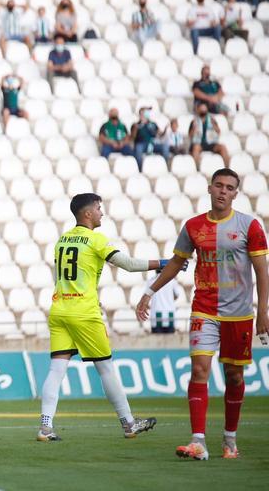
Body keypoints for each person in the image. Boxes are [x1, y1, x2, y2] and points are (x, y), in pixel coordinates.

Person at [136, 168, 268, 460]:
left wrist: (263, 312)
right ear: (209, 189)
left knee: (234, 376)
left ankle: (229, 438)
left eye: (229, 187)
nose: (223, 191)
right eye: (218, 185)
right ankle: (198, 441)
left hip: (239, 313)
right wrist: (149, 291)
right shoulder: (193, 226)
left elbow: (262, 270)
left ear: (236, 193)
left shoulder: (250, 226)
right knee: (199, 370)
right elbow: (175, 263)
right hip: (204, 309)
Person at [38, 193, 165, 441]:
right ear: (87, 214)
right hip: (84, 313)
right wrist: (163, 262)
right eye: (98, 208)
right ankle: (129, 424)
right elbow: (127, 264)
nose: (101, 213)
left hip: (59, 309)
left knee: (56, 370)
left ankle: (45, 426)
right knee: (105, 368)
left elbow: (58, 278)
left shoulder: (62, 240)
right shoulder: (95, 239)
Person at [189, 103, 231, 167]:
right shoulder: (194, 121)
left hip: (211, 143)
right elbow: (190, 135)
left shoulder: (212, 120)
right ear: (198, 110)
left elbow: (218, 132)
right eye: (202, 110)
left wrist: (214, 125)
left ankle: (227, 168)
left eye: (204, 110)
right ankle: (196, 168)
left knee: (222, 147)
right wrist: (194, 129)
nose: (203, 112)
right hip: (199, 143)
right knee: (196, 148)